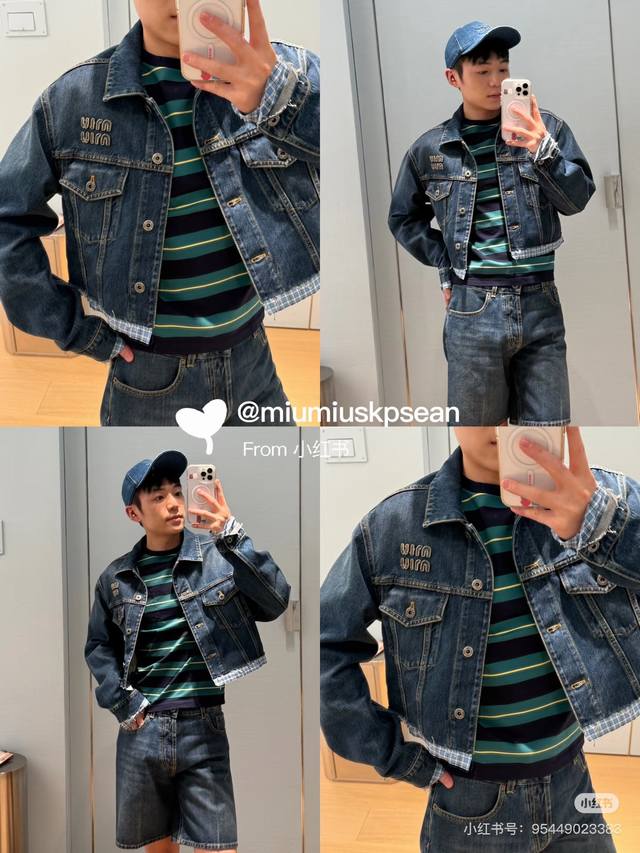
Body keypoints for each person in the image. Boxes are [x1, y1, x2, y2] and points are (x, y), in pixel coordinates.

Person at [320, 427, 640, 851]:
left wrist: (600, 525)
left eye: (518, 397)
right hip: (467, 799)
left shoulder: (606, 500)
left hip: (574, 785)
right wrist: (391, 753)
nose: (501, 421)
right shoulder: (393, 527)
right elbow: (325, 644)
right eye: (482, 396)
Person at [0, 0, 319, 425]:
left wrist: (278, 99)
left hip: (254, 359)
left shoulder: (292, 75)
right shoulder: (74, 101)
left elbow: (355, 164)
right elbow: (7, 216)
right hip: (146, 374)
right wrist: (72, 326)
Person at [388, 21, 595, 426]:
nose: (496, 81)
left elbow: (577, 200)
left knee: (544, 439)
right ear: (454, 78)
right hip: (472, 308)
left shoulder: (546, 130)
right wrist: (446, 263)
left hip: (540, 304)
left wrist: (541, 149)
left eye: (503, 68)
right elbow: (402, 217)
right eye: (483, 71)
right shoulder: (432, 149)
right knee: (478, 438)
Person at [85, 450, 291, 852]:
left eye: (177, 492)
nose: (174, 503)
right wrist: (124, 704)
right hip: (142, 730)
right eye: (158, 497)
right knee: (159, 848)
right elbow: (98, 646)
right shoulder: (117, 578)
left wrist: (230, 534)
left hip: (203, 727)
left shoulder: (217, 558)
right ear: (134, 513)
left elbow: (275, 601)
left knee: (219, 846)